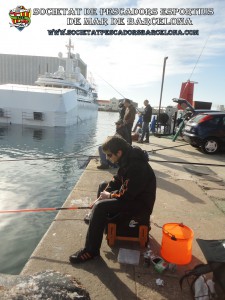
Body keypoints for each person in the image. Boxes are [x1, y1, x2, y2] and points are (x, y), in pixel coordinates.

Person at [69, 136, 156, 264]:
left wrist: (108, 197)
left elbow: (127, 196)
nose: (108, 158)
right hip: (132, 197)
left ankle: (91, 251)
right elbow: (117, 180)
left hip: (140, 205)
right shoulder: (127, 158)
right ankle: (99, 219)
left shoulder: (136, 166)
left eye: (109, 155)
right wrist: (102, 195)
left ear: (119, 152)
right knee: (103, 185)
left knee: (100, 207)